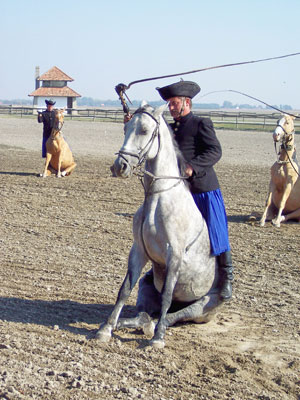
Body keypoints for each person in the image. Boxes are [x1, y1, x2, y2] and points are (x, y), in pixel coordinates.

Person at [155, 80, 233, 300]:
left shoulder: (201, 123)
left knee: (216, 230)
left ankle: (226, 277)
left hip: (203, 189)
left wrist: (193, 167)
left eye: (173, 103)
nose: (170, 107)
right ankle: (159, 271)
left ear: (186, 103)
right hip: (179, 192)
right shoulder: (170, 128)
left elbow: (215, 151)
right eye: (168, 103)